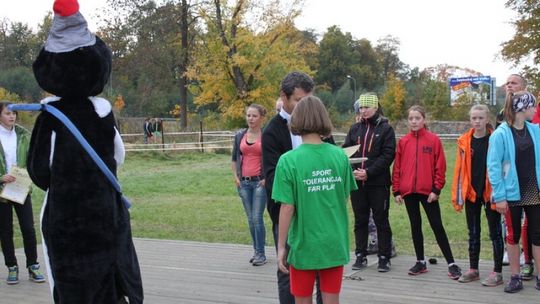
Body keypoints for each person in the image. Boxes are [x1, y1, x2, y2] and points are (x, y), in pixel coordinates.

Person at [273, 96, 357, 304]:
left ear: (297, 120)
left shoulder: (288, 161)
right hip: (334, 241)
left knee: (302, 300)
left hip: (303, 244)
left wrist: (281, 246)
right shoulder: (340, 156)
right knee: (331, 300)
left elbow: (287, 207)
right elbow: (343, 197)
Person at [262, 71, 322, 304]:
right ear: (284, 97)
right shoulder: (272, 131)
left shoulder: (320, 128)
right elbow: (272, 176)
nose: (303, 106)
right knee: (287, 269)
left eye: (308, 100)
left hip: (316, 212)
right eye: (298, 100)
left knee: (320, 267)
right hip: (287, 212)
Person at [392, 105, 462, 279]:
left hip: (428, 192)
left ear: (424, 120)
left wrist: (436, 189)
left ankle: (451, 263)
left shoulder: (433, 140)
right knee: (415, 226)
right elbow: (397, 167)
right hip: (409, 192)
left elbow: (441, 167)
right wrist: (397, 190)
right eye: (411, 118)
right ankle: (420, 261)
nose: (414, 121)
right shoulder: (403, 141)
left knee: (437, 226)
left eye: (417, 118)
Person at [487, 91, 540, 293]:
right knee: (513, 234)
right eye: (532, 106)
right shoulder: (501, 134)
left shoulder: (535, 131)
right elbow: (493, 167)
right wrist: (499, 197)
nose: (535, 110)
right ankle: (515, 277)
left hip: (534, 192)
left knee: (538, 234)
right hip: (511, 194)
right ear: (522, 108)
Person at [451, 104, 504, 286]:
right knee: (473, 233)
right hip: (471, 192)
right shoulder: (464, 141)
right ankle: (473, 269)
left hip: (492, 193)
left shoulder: (496, 139)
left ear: (487, 119)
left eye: (481, 118)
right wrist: (458, 195)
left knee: (495, 233)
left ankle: (497, 272)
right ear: (470, 119)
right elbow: (459, 170)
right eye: (474, 118)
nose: (477, 121)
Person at [342, 93, 395, 272]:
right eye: (361, 108)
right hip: (357, 182)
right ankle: (360, 255)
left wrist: (369, 172)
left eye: (366, 107)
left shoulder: (386, 129)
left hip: (378, 183)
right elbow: (346, 152)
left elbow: (388, 155)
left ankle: (384, 257)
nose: (363, 111)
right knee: (360, 220)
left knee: (381, 220)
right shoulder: (355, 128)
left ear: (375, 108)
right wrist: (353, 171)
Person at [0, 102, 46, 285]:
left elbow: (32, 159)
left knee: (28, 228)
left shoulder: (23, 135)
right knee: (5, 231)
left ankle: (33, 265)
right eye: (7, 113)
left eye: (14, 113)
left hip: (21, 189)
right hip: (2, 191)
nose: (12, 116)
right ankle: (12, 267)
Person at [231, 104, 268, 266]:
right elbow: (234, 159)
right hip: (244, 183)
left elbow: (273, 159)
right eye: (248, 115)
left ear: (261, 118)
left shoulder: (266, 136)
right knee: (250, 219)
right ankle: (257, 249)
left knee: (256, 218)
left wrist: (266, 178)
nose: (250, 119)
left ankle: (261, 253)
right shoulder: (240, 136)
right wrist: (236, 178)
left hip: (260, 182)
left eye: (254, 116)